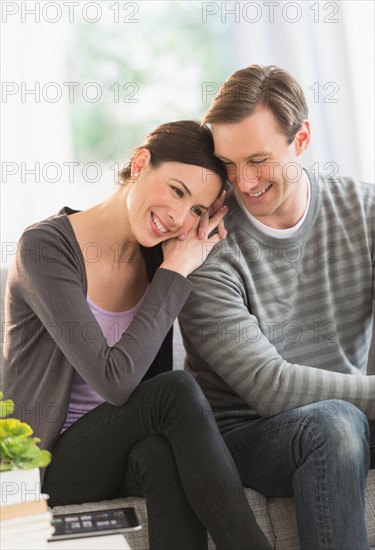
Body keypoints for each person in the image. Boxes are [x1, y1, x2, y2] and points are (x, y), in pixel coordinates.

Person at [3, 120, 272, 550]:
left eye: (198, 212)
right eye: (178, 191)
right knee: (176, 390)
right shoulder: (45, 248)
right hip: (47, 464)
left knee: (159, 455)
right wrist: (174, 272)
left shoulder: (157, 260)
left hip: (121, 450)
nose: (179, 219)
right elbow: (115, 382)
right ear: (141, 163)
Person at [179, 66, 375, 550]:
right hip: (250, 435)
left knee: (341, 420)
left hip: (354, 412)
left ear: (302, 138)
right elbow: (271, 387)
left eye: (259, 160)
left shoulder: (364, 212)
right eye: (228, 163)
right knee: (334, 424)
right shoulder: (206, 244)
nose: (243, 182)